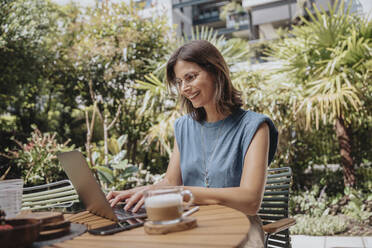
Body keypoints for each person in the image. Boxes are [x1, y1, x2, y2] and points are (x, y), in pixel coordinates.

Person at [107, 40, 278, 247]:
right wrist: (141, 192)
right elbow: (171, 183)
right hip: (193, 225)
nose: (184, 89)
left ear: (216, 72)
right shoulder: (183, 126)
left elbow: (250, 201)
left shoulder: (255, 126)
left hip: (240, 230)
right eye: (179, 82)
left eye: (191, 77)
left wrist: (182, 193)